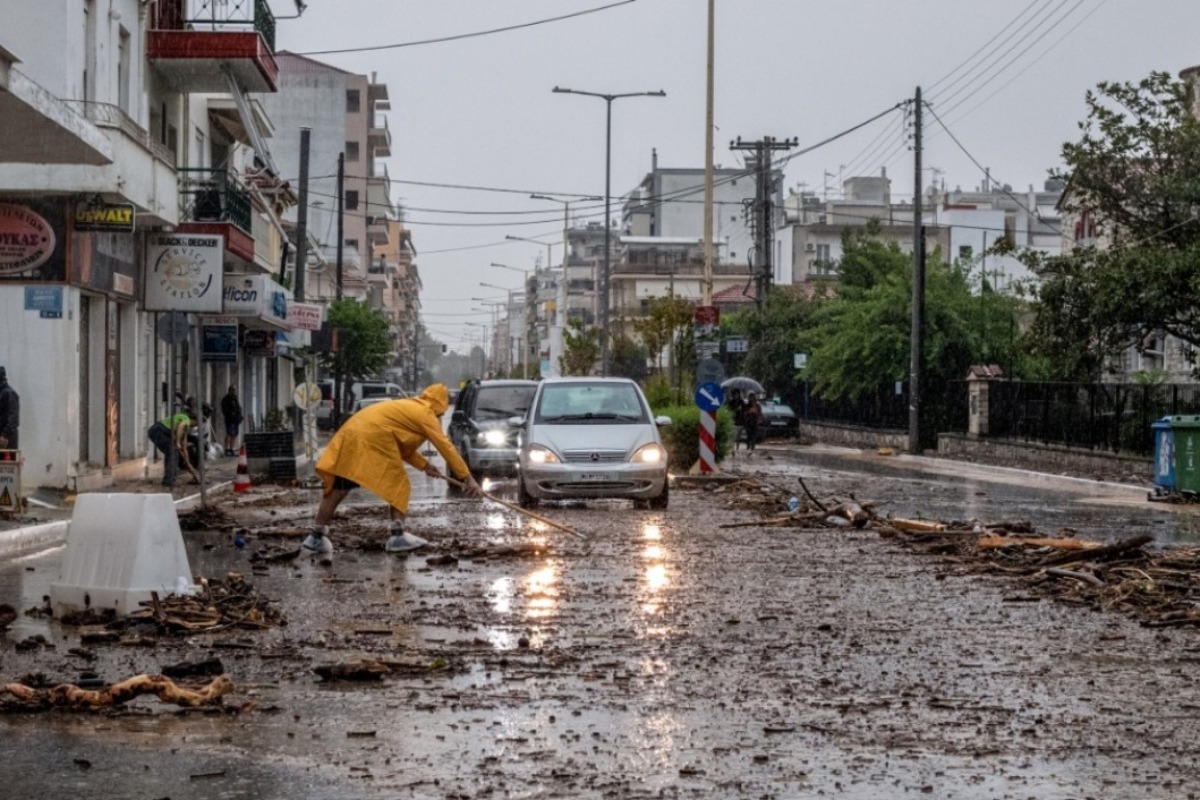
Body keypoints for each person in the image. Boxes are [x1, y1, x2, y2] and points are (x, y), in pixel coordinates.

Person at [305, 383, 483, 556]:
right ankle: (398, 536)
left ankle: (316, 536)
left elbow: (402, 448)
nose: (440, 417)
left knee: (339, 487)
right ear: (440, 406)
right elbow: (446, 447)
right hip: (370, 437)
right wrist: (467, 478)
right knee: (397, 482)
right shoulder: (425, 413)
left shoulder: (412, 408)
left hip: (353, 434)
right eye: (441, 413)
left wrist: (425, 465)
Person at [148, 405, 199, 486]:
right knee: (173, 453)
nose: (196, 426)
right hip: (159, 430)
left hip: (158, 431)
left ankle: (170, 479)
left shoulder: (185, 427)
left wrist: (188, 463)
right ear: (194, 420)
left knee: (172, 453)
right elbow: (181, 426)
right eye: (197, 424)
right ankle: (169, 480)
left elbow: (184, 447)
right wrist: (178, 442)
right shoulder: (186, 419)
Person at [220, 385, 243, 456]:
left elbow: (238, 408)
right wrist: (230, 414)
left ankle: (232, 449)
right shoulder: (226, 399)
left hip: (235, 420)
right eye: (233, 390)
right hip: (230, 419)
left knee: (234, 434)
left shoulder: (235, 398)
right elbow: (225, 409)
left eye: (235, 390)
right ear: (230, 390)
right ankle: (227, 449)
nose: (234, 391)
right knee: (229, 434)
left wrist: (239, 416)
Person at [0, 366, 18, 452]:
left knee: (7, 465)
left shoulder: (8, 393)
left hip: (6, 440)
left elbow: (13, 417)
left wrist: (5, 435)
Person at [725, 388, 745, 452]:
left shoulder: (742, 402)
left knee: (738, 437)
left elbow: (745, 410)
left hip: (740, 421)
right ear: (733, 395)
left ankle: (737, 449)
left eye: (737, 394)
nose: (736, 395)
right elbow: (729, 411)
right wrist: (736, 409)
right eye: (735, 394)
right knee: (732, 436)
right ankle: (732, 449)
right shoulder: (731, 402)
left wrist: (742, 410)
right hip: (733, 421)